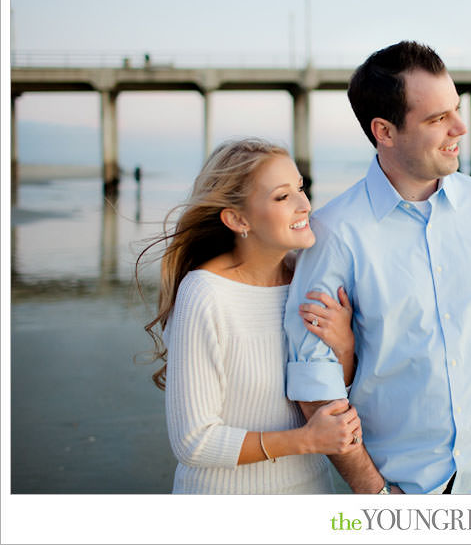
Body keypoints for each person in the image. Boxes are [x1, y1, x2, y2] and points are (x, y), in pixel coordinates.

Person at [285, 41, 471, 494]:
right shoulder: (334, 233)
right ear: (385, 131)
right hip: (407, 490)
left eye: (456, 109)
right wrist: (374, 490)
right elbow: (315, 380)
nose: (461, 128)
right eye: (437, 119)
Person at [137, 138, 362, 494]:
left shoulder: (309, 279)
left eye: (301, 189)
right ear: (237, 218)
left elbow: (331, 400)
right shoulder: (205, 295)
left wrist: (345, 349)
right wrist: (304, 440)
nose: (304, 205)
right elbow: (193, 442)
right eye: (282, 197)